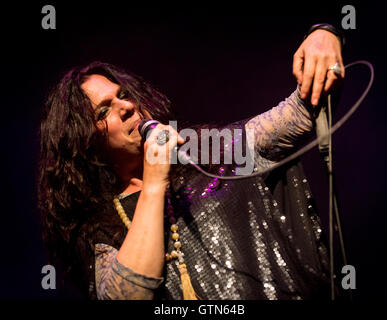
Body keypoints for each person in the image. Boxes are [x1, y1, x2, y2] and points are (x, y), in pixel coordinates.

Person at [38, 24, 345, 300]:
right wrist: (154, 183)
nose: (128, 106)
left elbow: (300, 115)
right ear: (85, 144)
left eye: (122, 96)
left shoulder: (209, 152)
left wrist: (323, 34)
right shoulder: (97, 228)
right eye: (104, 112)